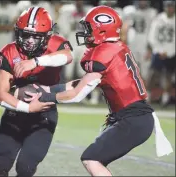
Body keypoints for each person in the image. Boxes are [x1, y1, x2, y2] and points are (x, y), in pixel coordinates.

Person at [23, 6, 173, 176]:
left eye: (88, 28)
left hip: (133, 120)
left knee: (92, 159)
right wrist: (48, 89)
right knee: (93, 158)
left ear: (101, 30)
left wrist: (45, 97)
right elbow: (81, 83)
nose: (85, 33)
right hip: (135, 118)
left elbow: (77, 94)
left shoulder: (103, 53)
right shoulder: (115, 47)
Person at [0, 7, 73, 177]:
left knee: (25, 168)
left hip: (44, 116)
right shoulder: (9, 51)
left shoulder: (55, 44)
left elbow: (68, 56)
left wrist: (36, 61)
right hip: (15, 115)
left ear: (47, 35)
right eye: (25, 34)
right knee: (1, 164)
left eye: (36, 36)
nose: (29, 41)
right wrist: (28, 108)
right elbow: (0, 95)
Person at [146, 0, 175, 106]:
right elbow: (152, 35)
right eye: (168, 6)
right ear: (165, 7)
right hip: (158, 51)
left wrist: (170, 51)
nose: (170, 9)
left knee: (168, 76)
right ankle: (147, 98)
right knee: (152, 75)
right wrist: (159, 50)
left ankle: (165, 99)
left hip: (171, 52)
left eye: (172, 7)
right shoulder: (158, 19)